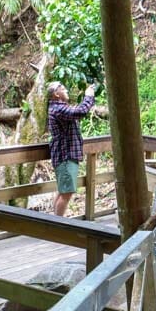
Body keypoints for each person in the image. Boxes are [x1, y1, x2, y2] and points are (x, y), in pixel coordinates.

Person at [47, 81, 96, 216]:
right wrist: (89, 96)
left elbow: (76, 112)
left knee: (63, 191)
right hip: (65, 156)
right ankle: (58, 227)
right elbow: (80, 111)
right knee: (66, 193)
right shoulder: (58, 109)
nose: (66, 89)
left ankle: (55, 224)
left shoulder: (59, 108)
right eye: (63, 88)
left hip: (66, 155)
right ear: (56, 94)